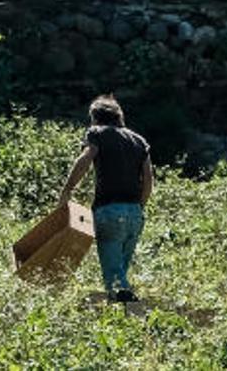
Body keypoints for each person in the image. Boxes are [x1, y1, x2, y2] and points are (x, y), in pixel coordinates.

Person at [60, 94, 153, 303]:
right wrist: (139, 207)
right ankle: (127, 324)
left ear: (95, 117)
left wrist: (67, 190)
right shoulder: (139, 140)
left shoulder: (97, 133)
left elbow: (85, 159)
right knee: (119, 272)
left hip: (109, 211)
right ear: (119, 116)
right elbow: (148, 179)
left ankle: (128, 305)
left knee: (116, 281)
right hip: (135, 215)